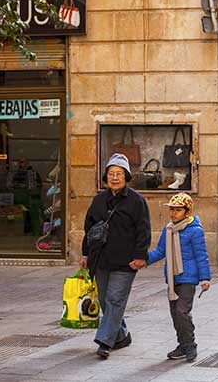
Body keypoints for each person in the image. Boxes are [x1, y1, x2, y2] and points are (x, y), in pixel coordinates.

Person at [81, 153, 151, 359]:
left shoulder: (136, 201)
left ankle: (105, 341)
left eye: (119, 173)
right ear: (106, 177)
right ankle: (121, 336)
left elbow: (144, 230)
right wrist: (85, 254)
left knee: (115, 299)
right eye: (111, 173)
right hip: (101, 259)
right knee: (105, 300)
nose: (114, 177)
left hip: (126, 261)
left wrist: (140, 256)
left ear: (126, 176)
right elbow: (89, 229)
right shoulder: (98, 200)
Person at [147, 193, 211, 362]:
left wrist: (205, 278)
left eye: (178, 210)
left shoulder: (195, 231)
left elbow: (201, 255)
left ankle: (190, 345)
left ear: (187, 212)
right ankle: (182, 345)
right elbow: (160, 251)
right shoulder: (168, 229)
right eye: (172, 210)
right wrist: (143, 260)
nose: (173, 213)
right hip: (172, 278)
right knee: (175, 314)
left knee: (182, 311)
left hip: (188, 278)